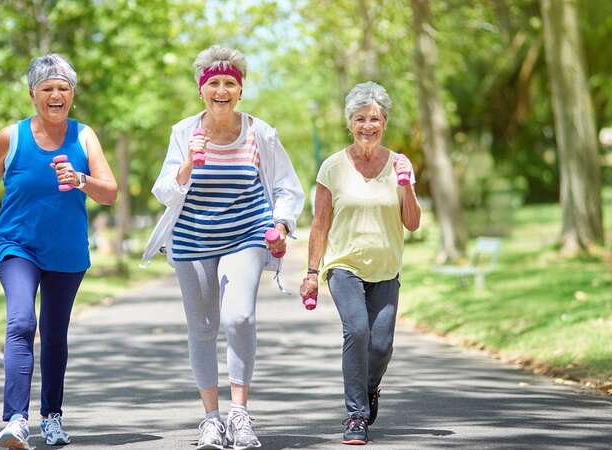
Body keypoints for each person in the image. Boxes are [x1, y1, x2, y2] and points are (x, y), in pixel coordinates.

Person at [143, 45, 304, 450]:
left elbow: (287, 186)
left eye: (229, 82)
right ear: (201, 90)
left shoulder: (260, 133)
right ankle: (211, 420)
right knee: (202, 328)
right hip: (193, 238)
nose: (221, 89)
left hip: (246, 234)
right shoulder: (183, 132)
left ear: (240, 90)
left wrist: (282, 222)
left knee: (239, 318)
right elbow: (163, 190)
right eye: (213, 83)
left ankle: (240, 414)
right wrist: (186, 166)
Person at [0, 54, 117, 449]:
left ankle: (51, 416)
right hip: (17, 246)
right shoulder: (10, 137)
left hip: (66, 253)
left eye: (63, 88)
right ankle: (16, 420)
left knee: (54, 335)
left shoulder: (85, 136)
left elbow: (111, 193)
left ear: (73, 94)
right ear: (33, 94)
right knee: (20, 323)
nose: (56, 95)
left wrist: (82, 179)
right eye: (47, 88)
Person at [300, 81, 421, 445]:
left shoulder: (398, 164)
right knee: (357, 330)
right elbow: (320, 223)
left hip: (386, 267)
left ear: (384, 122)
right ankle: (355, 416)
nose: (367, 126)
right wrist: (310, 273)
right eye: (360, 119)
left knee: (381, 345)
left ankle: (369, 390)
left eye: (374, 118)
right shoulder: (333, 167)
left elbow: (412, 223)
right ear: (349, 123)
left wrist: (408, 185)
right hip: (344, 265)